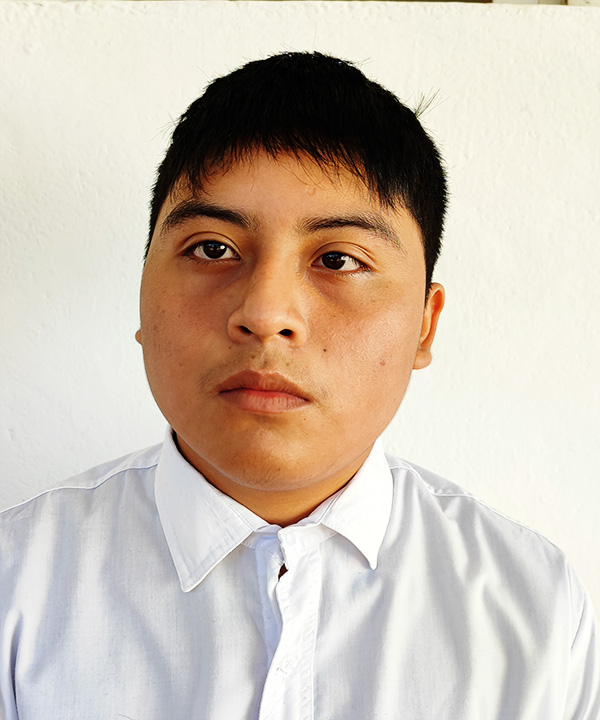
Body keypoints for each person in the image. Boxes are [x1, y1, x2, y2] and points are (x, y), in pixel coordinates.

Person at [0, 51, 598, 720]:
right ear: (142, 297)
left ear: (424, 327)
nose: (265, 313)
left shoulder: (535, 608)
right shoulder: (15, 586)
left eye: (338, 259)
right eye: (212, 249)